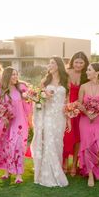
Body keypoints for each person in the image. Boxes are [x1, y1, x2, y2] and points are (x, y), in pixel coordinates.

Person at [31, 56, 69, 187]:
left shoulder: (65, 80)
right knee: (48, 142)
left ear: (58, 65)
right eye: (49, 63)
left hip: (60, 117)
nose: (50, 65)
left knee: (58, 143)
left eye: (52, 63)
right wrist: (43, 96)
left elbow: (67, 101)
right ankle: (47, 174)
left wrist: (68, 118)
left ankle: (56, 169)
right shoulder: (45, 81)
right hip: (47, 116)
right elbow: (37, 98)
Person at [0, 67, 32, 184]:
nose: (15, 77)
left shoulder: (22, 88)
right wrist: (2, 116)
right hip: (5, 123)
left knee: (18, 145)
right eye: (13, 74)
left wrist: (30, 119)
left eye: (16, 74)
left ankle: (19, 174)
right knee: (6, 146)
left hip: (20, 121)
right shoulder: (0, 90)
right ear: (7, 76)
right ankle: (6, 172)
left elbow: (28, 104)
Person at [78, 63, 99, 187]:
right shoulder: (83, 87)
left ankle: (96, 167)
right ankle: (90, 175)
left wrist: (97, 113)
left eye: (89, 70)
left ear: (97, 73)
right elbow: (79, 104)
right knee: (87, 147)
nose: (87, 72)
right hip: (85, 120)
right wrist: (87, 112)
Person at [63, 51, 89, 176]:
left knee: (78, 137)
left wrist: (77, 106)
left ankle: (74, 164)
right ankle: (64, 162)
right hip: (67, 106)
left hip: (80, 109)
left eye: (81, 63)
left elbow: (86, 93)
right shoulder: (67, 73)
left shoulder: (86, 75)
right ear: (72, 62)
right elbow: (65, 92)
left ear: (85, 64)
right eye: (76, 62)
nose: (78, 65)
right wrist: (69, 107)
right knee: (67, 135)